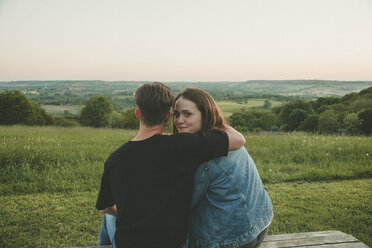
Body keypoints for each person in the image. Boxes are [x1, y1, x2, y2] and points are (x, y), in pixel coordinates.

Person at [96, 82, 245, 248]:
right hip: (174, 243)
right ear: (168, 117)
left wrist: (123, 211)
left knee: (108, 218)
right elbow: (238, 139)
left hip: (129, 243)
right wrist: (212, 115)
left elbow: (106, 207)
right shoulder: (185, 146)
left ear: (137, 113)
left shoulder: (115, 159)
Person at [173, 88, 273, 248]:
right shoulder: (225, 140)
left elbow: (181, 206)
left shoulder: (205, 159)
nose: (179, 120)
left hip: (234, 241)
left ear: (205, 115)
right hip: (261, 222)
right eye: (176, 114)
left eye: (187, 114)